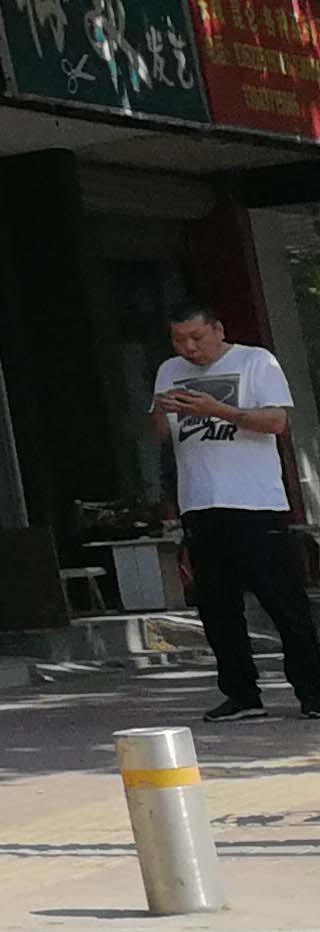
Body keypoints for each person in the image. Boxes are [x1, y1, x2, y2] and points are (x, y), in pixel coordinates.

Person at [147, 300, 320, 722]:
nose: (189, 348)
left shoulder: (255, 361)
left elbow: (276, 422)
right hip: (199, 503)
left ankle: (312, 691)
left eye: (197, 337)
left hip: (256, 503)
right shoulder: (169, 370)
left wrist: (217, 410)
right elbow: (159, 435)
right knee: (218, 608)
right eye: (179, 340)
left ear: (218, 330)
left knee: (285, 603)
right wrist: (161, 410)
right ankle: (241, 695)